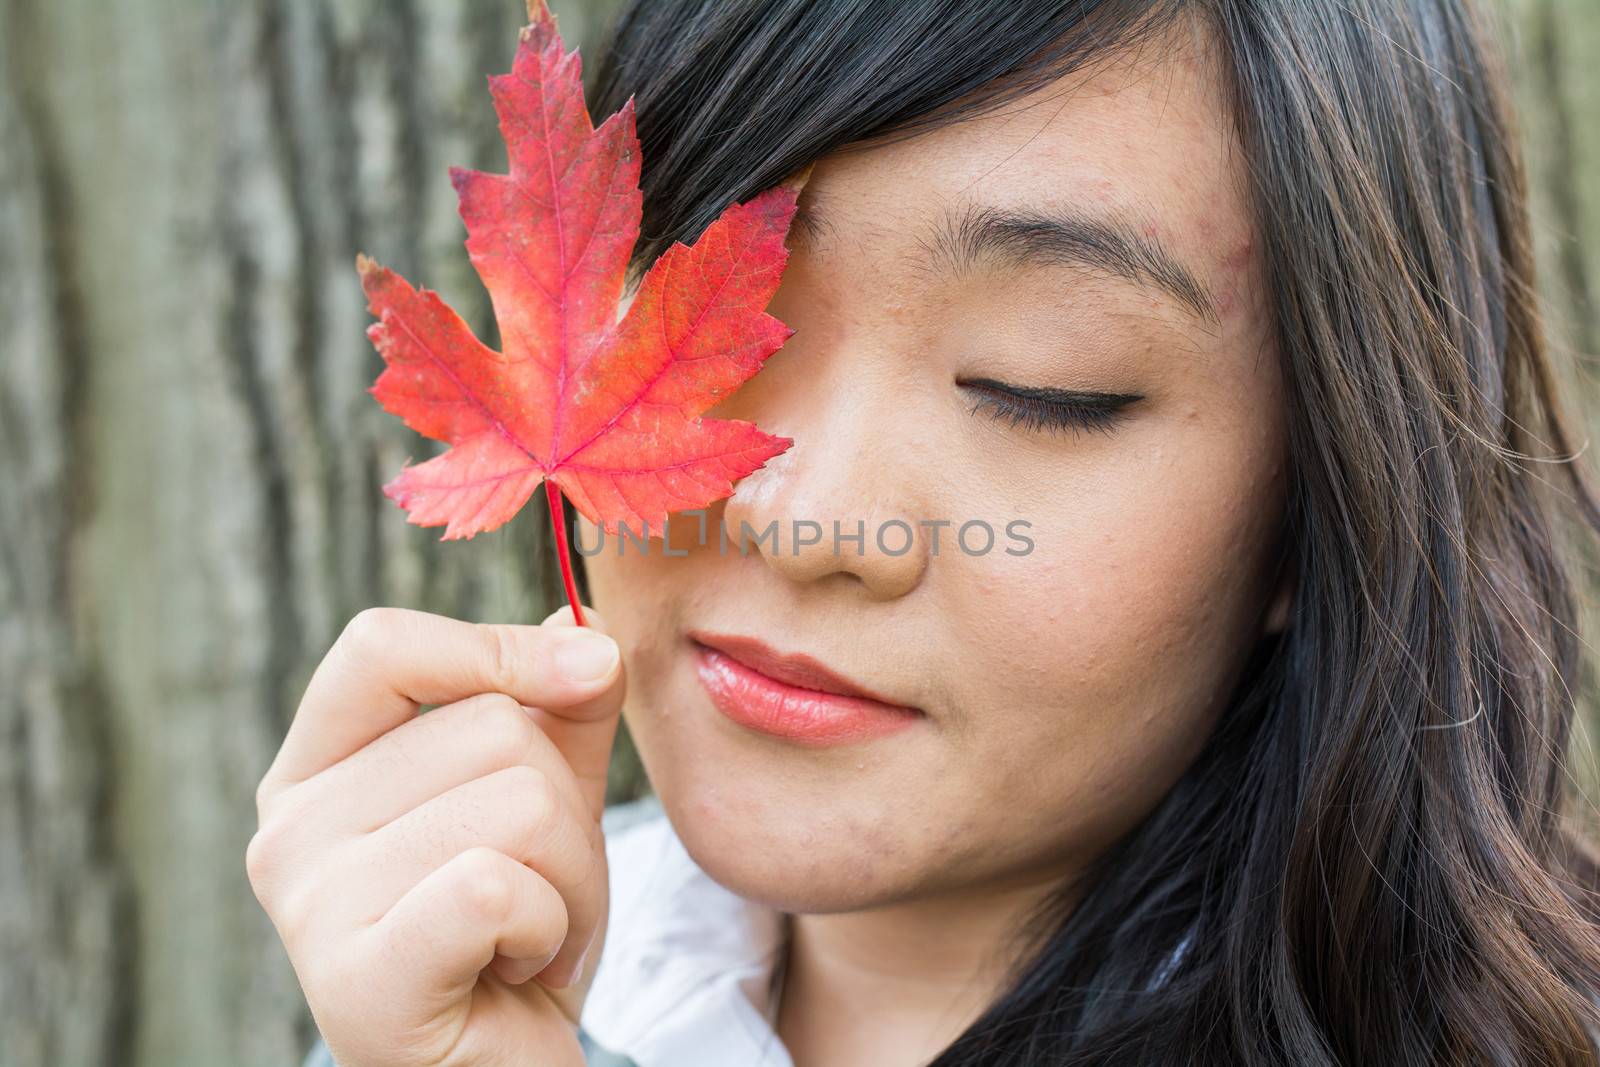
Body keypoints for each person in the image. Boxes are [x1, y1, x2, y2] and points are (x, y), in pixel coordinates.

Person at [248, 0, 1600, 1064]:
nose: (797, 517)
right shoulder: (460, 978)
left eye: (1040, 384)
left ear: (1319, 506)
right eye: (715, 319)